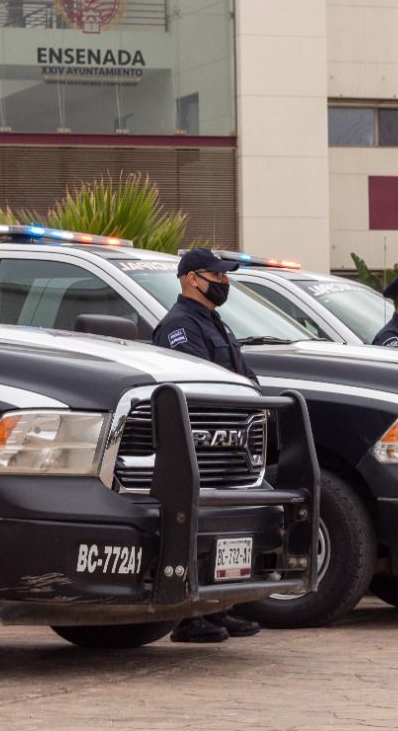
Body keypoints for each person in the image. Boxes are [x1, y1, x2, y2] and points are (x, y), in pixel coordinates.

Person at [151, 247, 261, 643]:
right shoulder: (179, 326)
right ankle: (188, 617)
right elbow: (198, 382)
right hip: (201, 446)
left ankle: (219, 607)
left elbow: (245, 379)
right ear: (192, 279)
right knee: (196, 531)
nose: (225, 281)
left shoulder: (216, 324)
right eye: (217, 275)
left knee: (226, 530)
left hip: (232, 443)